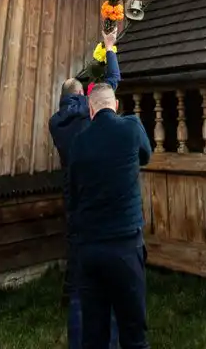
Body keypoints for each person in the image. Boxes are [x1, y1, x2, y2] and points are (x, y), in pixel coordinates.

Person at [49, 31, 120, 349]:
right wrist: (108, 47)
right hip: (101, 204)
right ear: (83, 95)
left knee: (80, 283)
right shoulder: (89, 114)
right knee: (110, 284)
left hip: (73, 201)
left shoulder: (56, 123)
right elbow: (112, 84)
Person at [69, 82, 152, 349]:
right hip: (125, 245)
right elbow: (146, 155)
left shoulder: (79, 142)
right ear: (115, 106)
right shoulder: (130, 127)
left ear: (91, 110)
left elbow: (73, 192)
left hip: (90, 248)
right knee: (133, 332)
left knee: (94, 334)